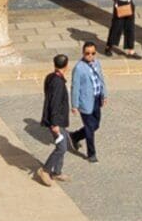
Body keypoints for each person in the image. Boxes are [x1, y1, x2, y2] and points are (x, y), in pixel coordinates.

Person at [38, 53, 77, 184]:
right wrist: (54, 124)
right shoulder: (58, 82)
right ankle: (45, 170)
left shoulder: (50, 77)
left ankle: (57, 172)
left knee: (64, 143)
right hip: (56, 121)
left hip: (58, 120)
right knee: (61, 148)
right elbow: (54, 103)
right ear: (66, 66)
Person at [68, 44, 108, 163]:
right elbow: (75, 87)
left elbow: (101, 80)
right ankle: (91, 153)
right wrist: (74, 105)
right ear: (83, 53)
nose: (90, 56)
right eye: (87, 53)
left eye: (93, 53)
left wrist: (104, 95)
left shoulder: (97, 63)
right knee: (90, 128)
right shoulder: (79, 68)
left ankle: (75, 136)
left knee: (96, 125)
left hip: (96, 99)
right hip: (85, 102)